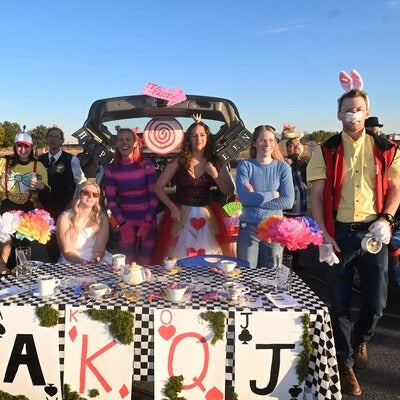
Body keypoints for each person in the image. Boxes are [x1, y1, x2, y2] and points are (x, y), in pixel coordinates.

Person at [307, 88, 400, 396]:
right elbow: (316, 197)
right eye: (348, 109)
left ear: (367, 109)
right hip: (340, 234)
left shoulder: (387, 148)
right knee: (339, 302)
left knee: (377, 302)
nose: (353, 114)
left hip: (374, 233)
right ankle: (345, 362)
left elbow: (395, 189)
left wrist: (386, 218)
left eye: (358, 109)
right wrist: (323, 233)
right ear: (339, 114)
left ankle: (361, 339)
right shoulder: (326, 149)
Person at [155, 118, 235, 261]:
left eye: (202, 135)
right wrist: (172, 207)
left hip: (207, 216)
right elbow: (158, 187)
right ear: (189, 139)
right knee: (178, 259)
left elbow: (229, 191)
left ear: (207, 138)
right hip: (180, 216)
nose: (199, 138)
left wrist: (215, 175)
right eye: (194, 135)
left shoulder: (215, 162)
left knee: (208, 258)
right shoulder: (178, 160)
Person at [236, 125, 294, 268]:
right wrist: (272, 195)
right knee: (246, 273)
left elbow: (288, 201)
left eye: (271, 140)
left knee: (271, 274)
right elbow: (244, 199)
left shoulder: (283, 168)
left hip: (274, 229)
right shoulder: (245, 166)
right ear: (255, 143)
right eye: (262, 140)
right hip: (248, 228)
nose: (267, 144)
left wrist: (254, 200)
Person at [104, 127, 158, 265]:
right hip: (125, 223)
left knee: (146, 263)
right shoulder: (111, 169)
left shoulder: (147, 165)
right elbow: (111, 201)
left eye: (128, 139)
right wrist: (123, 224)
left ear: (135, 143)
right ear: (116, 144)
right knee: (127, 265)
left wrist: (147, 222)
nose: (124, 143)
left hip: (147, 221)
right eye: (120, 140)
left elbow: (154, 197)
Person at [0, 128, 49, 273]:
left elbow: (47, 192)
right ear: (15, 147)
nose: (23, 149)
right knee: (6, 240)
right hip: (7, 205)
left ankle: (21, 271)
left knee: (23, 242)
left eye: (26, 146)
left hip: (27, 207)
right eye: (19, 146)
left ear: (31, 147)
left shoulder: (38, 165)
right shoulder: (4, 162)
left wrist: (41, 186)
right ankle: (4, 271)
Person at [38, 127, 86, 262]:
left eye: (57, 137)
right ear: (47, 139)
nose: (53, 139)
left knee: (66, 241)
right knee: (50, 241)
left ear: (62, 141)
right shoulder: (39, 160)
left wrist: (74, 202)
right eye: (51, 136)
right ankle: (54, 267)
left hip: (65, 207)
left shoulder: (71, 160)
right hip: (46, 210)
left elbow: (81, 183)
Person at [56, 181, 112, 265]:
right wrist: (83, 262)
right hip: (71, 260)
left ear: (97, 198)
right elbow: (66, 251)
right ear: (79, 194)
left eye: (95, 194)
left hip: (96, 260)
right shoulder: (64, 218)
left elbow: (99, 249)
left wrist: (94, 260)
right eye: (87, 193)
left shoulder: (102, 218)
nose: (91, 196)